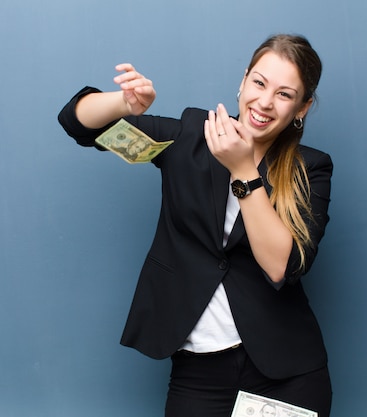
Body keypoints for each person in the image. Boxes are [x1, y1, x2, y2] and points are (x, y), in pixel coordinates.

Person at [58, 34, 333, 417]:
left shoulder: (311, 169)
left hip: (286, 372)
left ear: (301, 108)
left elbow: (279, 268)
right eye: (259, 83)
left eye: (285, 94)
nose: (265, 102)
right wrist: (123, 103)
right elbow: (79, 124)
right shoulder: (189, 137)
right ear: (243, 81)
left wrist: (242, 169)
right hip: (199, 373)